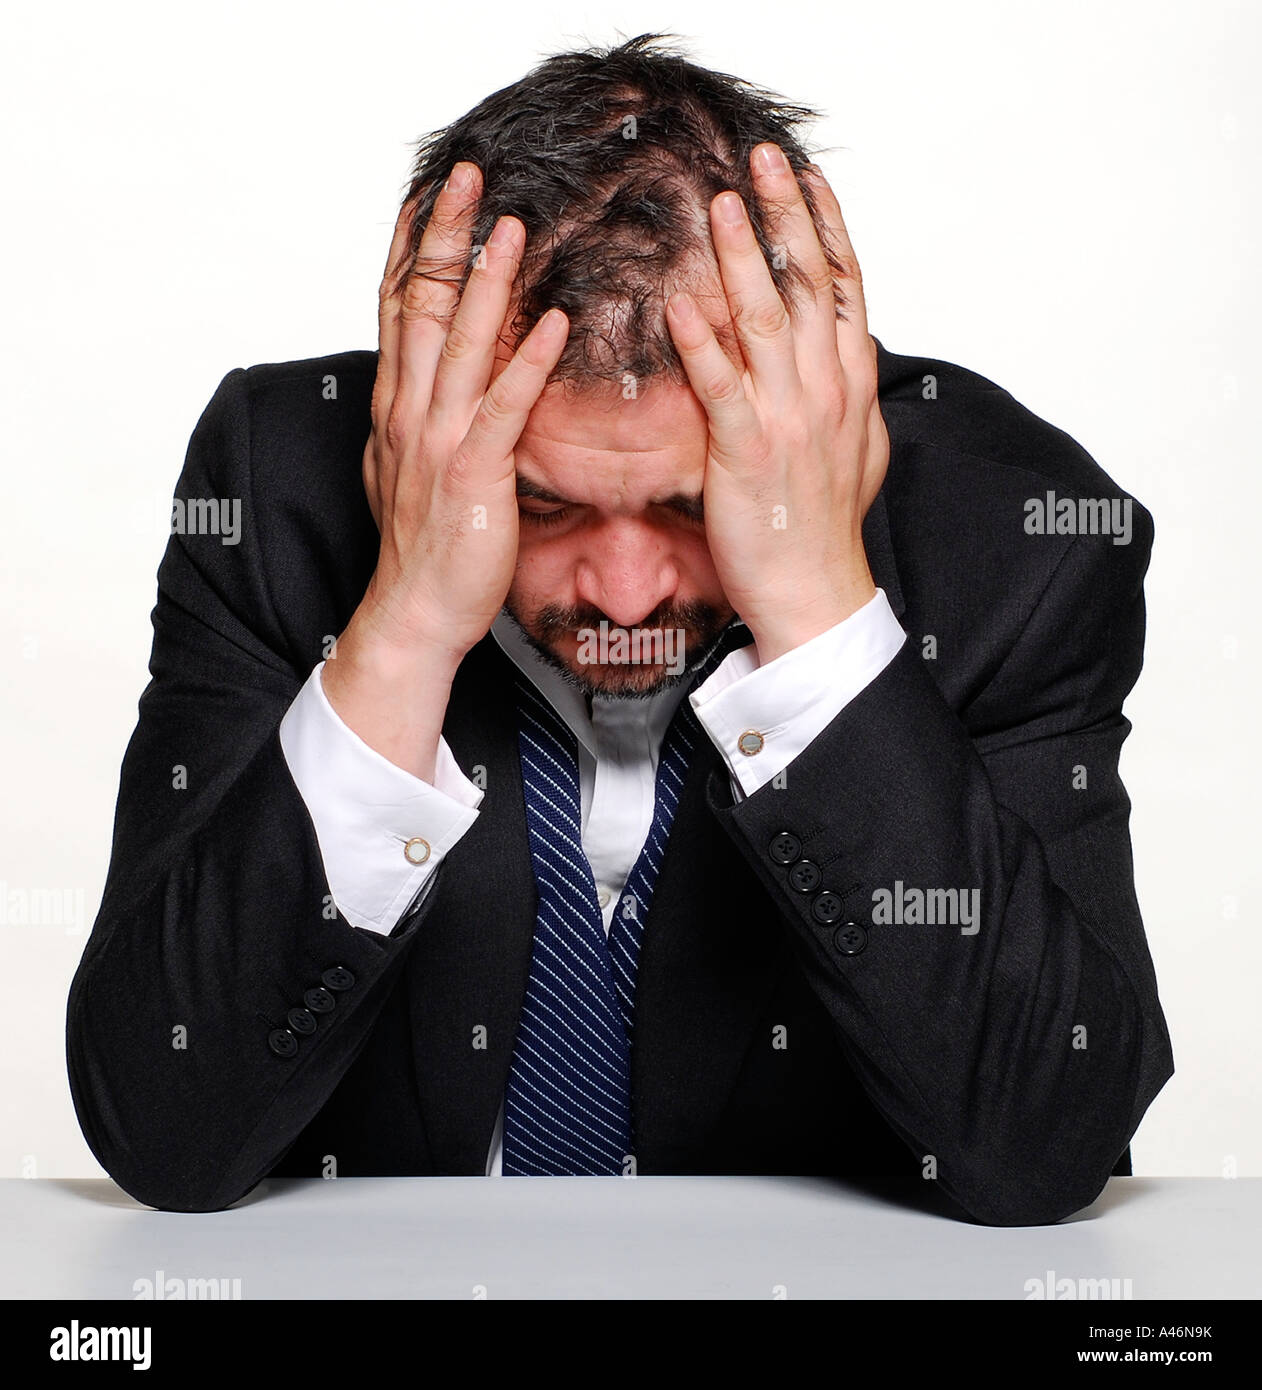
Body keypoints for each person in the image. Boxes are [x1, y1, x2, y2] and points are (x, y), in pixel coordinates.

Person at [66, 33, 1173, 1223]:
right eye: (541, 503)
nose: (627, 591)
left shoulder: (1020, 539)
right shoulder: (276, 487)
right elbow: (165, 1125)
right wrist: (403, 625)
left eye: (694, 505)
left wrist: (814, 607)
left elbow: (1048, 1138)